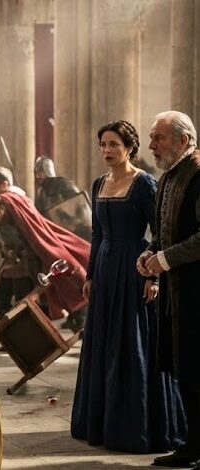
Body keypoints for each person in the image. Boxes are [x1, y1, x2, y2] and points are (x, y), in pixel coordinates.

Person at [72, 119, 186, 454]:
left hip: (135, 268)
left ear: (130, 148)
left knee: (132, 344)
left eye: (114, 145)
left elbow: (161, 231)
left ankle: (138, 426)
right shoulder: (99, 183)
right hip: (106, 270)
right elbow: (96, 234)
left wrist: (154, 276)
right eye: (103, 145)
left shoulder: (144, 183)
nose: (107, 151)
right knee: (105, 343)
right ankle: (101, 423)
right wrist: (90, 275)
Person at [136, 111, 200, 468]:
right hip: (178, 292)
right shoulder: (169, 176)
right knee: (185, 369)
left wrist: (165, 259)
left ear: (183, 140)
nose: (151, 145)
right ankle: (193, 445)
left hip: (195, 291)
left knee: (196, 369)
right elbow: (164, 230)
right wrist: (150, 253)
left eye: (158, 137)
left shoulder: (198, 174)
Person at [0, 166, 89, 330]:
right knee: (1, 298)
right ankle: (13, 334)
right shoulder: (17, 201)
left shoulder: (5, 202)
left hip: (22, 263)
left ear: (4, 184)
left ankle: (22, 336)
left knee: (20, 303)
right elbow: (1, 229)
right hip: (14, 261)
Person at [34, 155, 91, 241]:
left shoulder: (63, 184)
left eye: (40, 171)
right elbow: (39, 214)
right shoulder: (41, 192)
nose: (37, 176)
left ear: (48, 170)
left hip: (73, 228)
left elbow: (79, 204)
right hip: (54, 232)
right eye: (36, 173)